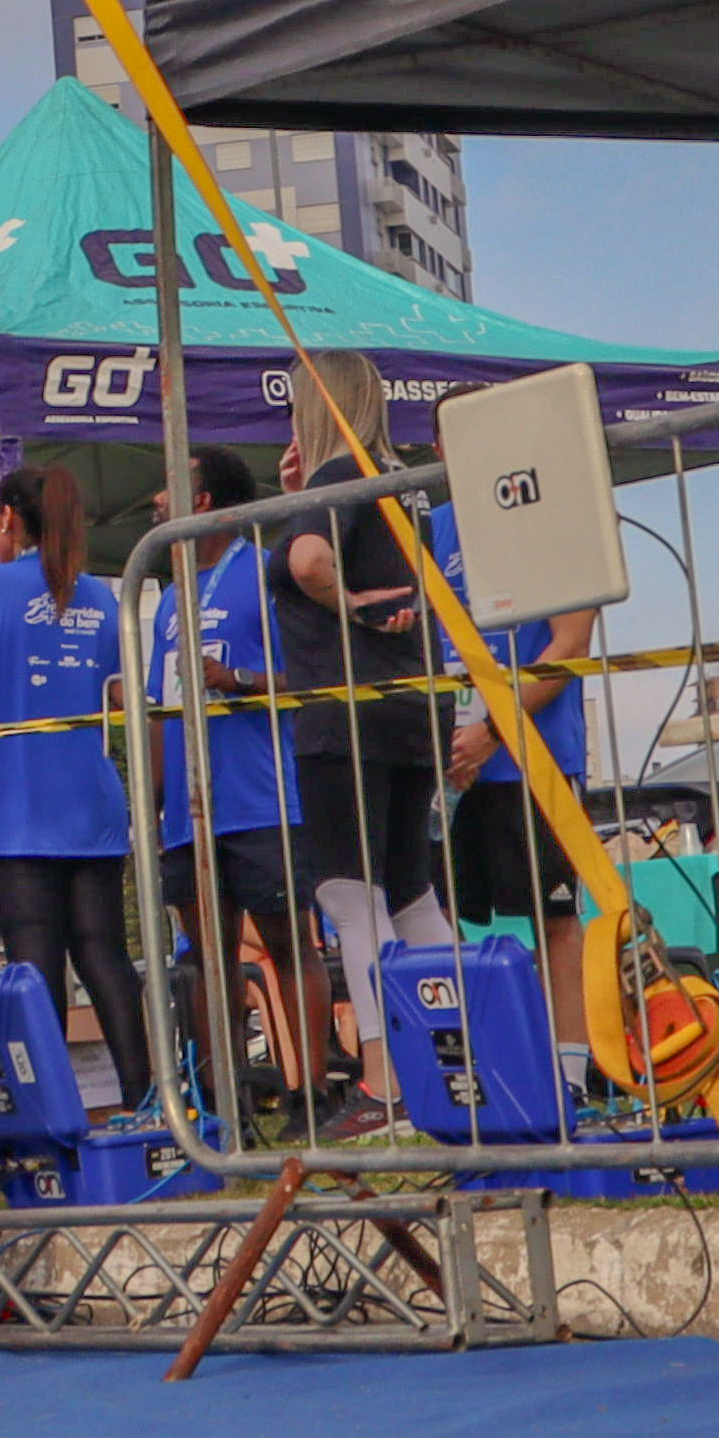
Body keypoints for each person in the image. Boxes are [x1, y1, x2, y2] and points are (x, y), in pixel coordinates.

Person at [0, 467, 153, 1115]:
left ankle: (54, 1114)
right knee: (105, 955)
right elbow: (122, 694)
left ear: (8, 517)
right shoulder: (99, 596)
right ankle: (148, 1103)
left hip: (19, 805)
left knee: (35, 964)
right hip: (91, 802)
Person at [275, 356, 449, 1125]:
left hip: (345, 709)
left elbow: (307, 560)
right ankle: (451, 1059)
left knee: (350, 896)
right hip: (410, 702)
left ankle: (384, 1081)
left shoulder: (338, 475)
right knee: (410, 892)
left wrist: (343, 599)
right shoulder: (402, 481)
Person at [151, 447, 311, 1119]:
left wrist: (238, 680)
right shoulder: (166, 596)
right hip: (187, 815)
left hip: (258, 799)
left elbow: (310, 676)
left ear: (204, 501)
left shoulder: (265, 573)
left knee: (286, 946)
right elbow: (160, 706)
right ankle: (221, 1106)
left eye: (169, 487)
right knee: (206, 958)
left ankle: (310, 1093)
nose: (156, 500)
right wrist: (153, 803)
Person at [427, 494, 600, 1057]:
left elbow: (571, 643)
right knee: (434, 917)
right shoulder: (428, 526)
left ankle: (571, 1074)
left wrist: (493, 730)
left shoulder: (544, 513)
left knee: (554, 918)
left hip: (535, 760)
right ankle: (478, 1064)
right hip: (449, 763)